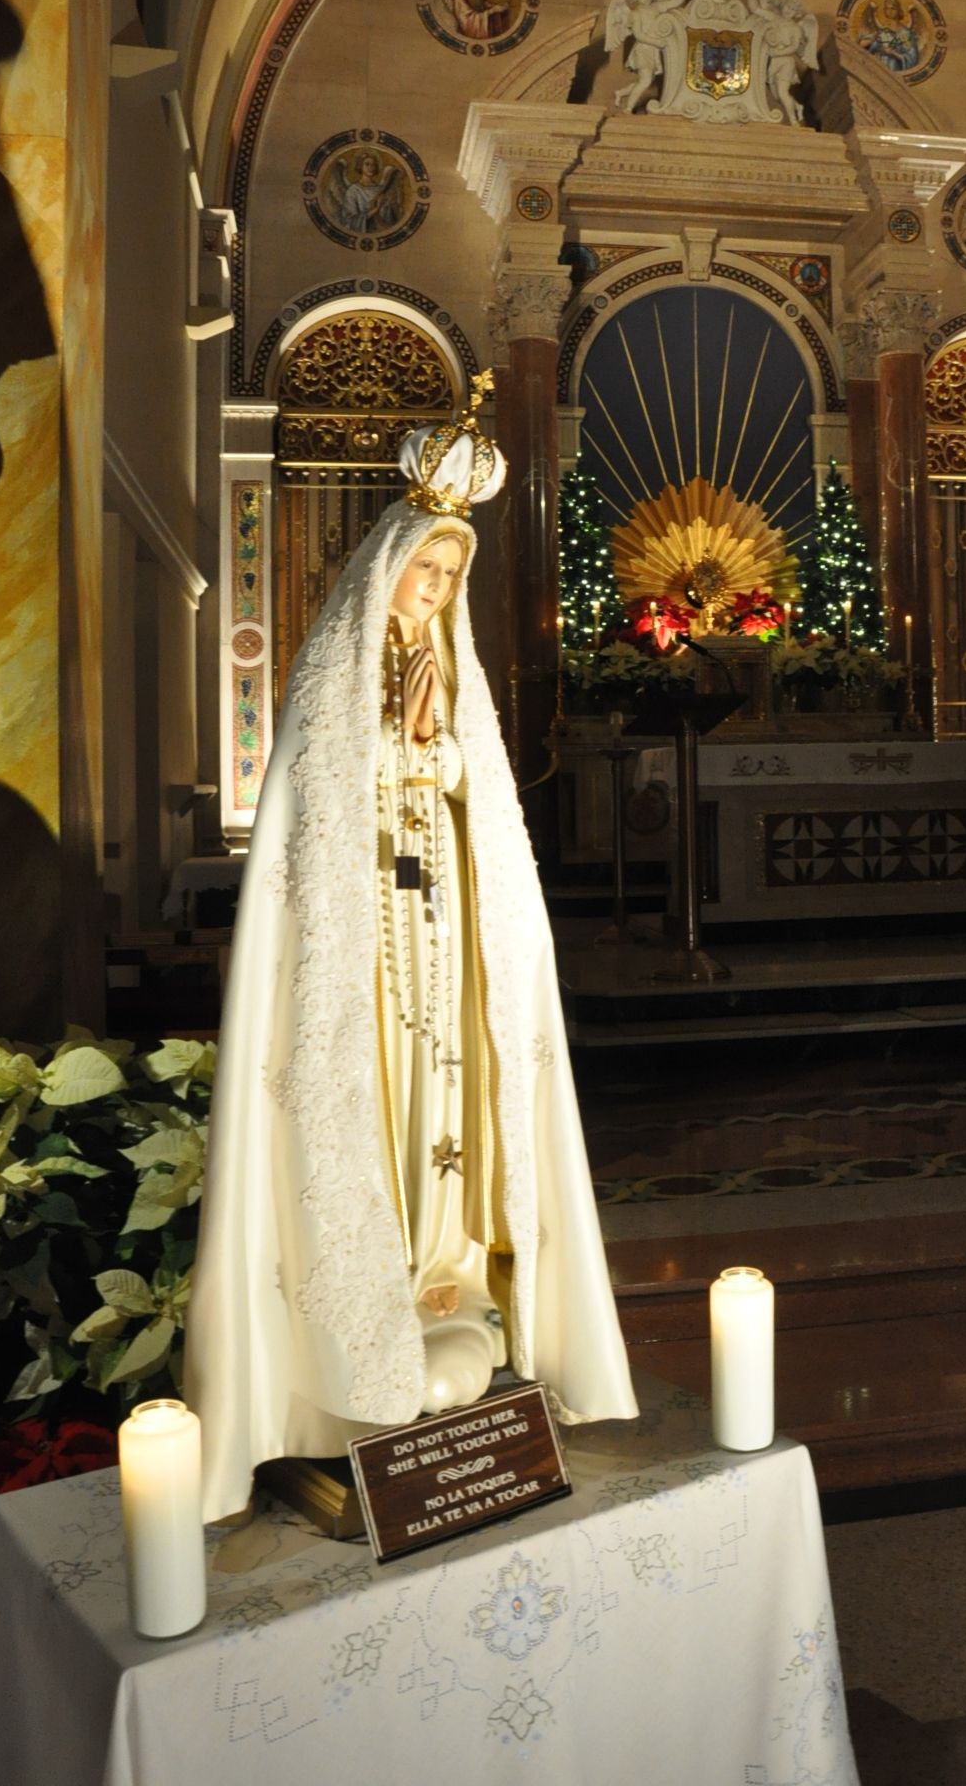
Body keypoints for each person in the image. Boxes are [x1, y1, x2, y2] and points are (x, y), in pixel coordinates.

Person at [185, 389, 637, 1522]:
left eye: (448, 578)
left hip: (443, 950)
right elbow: (308, 824)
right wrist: (393, 751)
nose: (432, 594)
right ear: (382, 565)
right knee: (370, 1110)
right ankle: (357, 1335)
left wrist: (443, 756)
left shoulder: (458, 681)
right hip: (363, 967)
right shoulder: (324, 683)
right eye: (420, 571)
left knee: (456, 1117)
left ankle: (449, 1285)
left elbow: (482, 819)